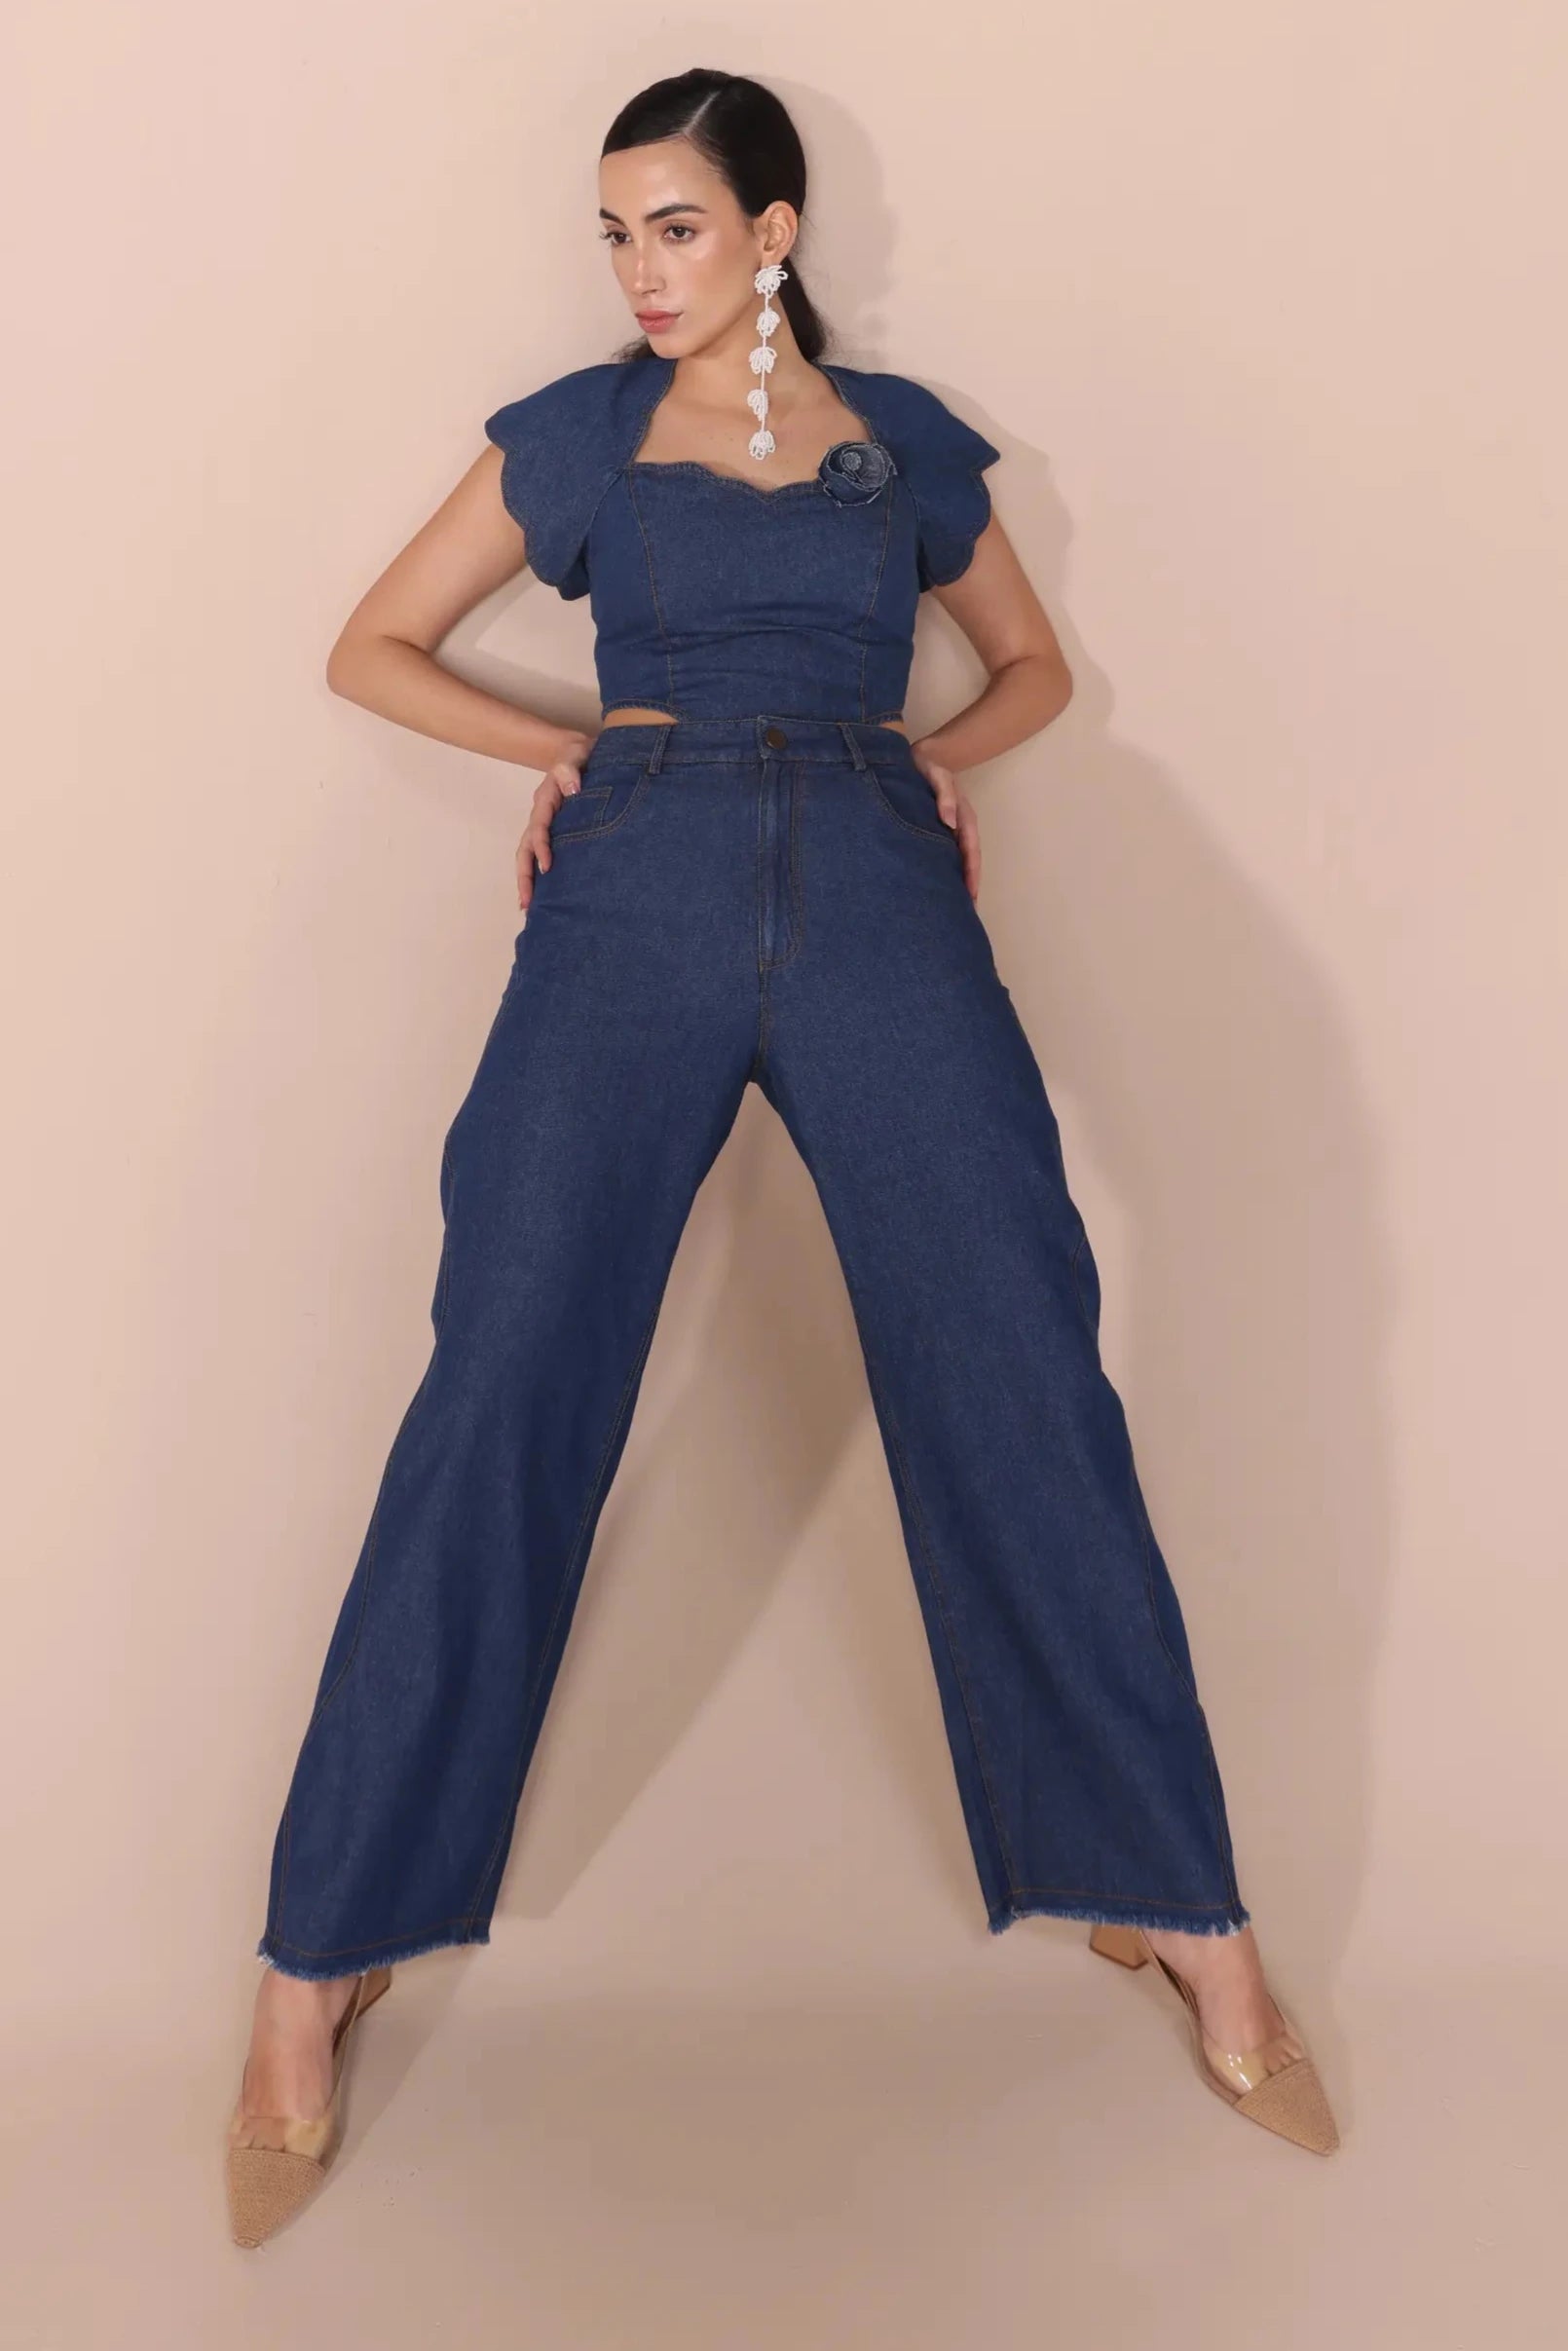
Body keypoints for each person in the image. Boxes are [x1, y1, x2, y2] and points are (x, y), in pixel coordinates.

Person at [224, 66, 1339, 2245]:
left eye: (673, 226)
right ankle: (317, 1952)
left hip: (877, 891)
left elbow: (1033, 668)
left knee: (1018, 1360)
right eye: (615, 233)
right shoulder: (573, 433)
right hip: (632, 888)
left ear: (773, 230)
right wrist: (565, 751)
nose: (638, 270)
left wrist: (934, 765)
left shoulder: (901, 441)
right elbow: (369, 644)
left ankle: (1177, 1902)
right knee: (502, 1379)